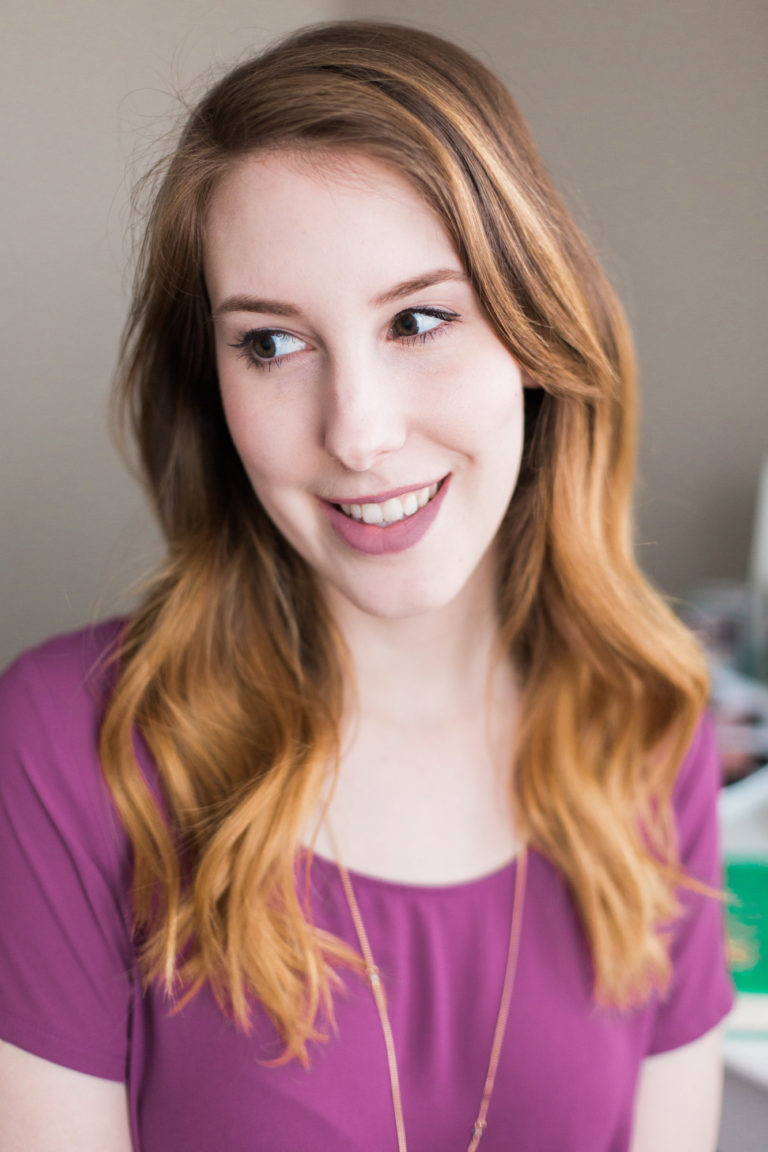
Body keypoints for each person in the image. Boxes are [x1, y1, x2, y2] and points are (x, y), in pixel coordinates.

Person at [0, 19, 733, 1152]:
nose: (359, 433)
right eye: (272, 345)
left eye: (419, 320)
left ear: (537, 334)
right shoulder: (65, 746)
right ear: (211, 386)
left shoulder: (647, 724)